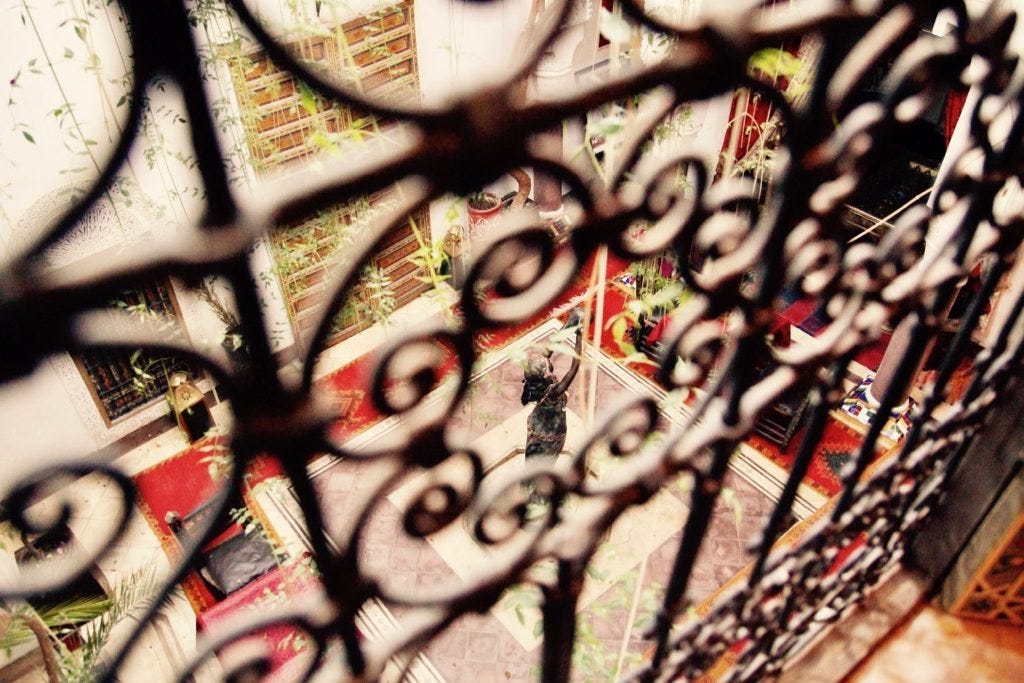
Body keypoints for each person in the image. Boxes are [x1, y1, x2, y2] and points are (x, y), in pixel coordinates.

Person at [521, 306, 585, 460]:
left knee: (531, 462)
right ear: (546, 374)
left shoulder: (532, 381)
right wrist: (579, 335)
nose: (550, 365)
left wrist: (570, 323)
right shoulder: (553, 392)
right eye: (549, 367)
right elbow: (574, 368)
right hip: (551, 435)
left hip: (536, 427)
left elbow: (550, 347)